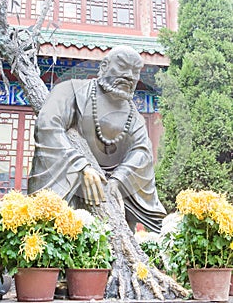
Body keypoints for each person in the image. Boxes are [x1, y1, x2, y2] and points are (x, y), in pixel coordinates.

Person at [28, 45, 166, 232]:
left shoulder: (135, 116)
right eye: (123, 67)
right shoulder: (70, 90)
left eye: (136, 72)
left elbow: (142, 151)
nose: (130, 76)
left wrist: (119, 180)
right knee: (51, 226)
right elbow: (47, 125)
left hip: (113, 191)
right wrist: (81, 166)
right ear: (104, 67)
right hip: (70, 181)